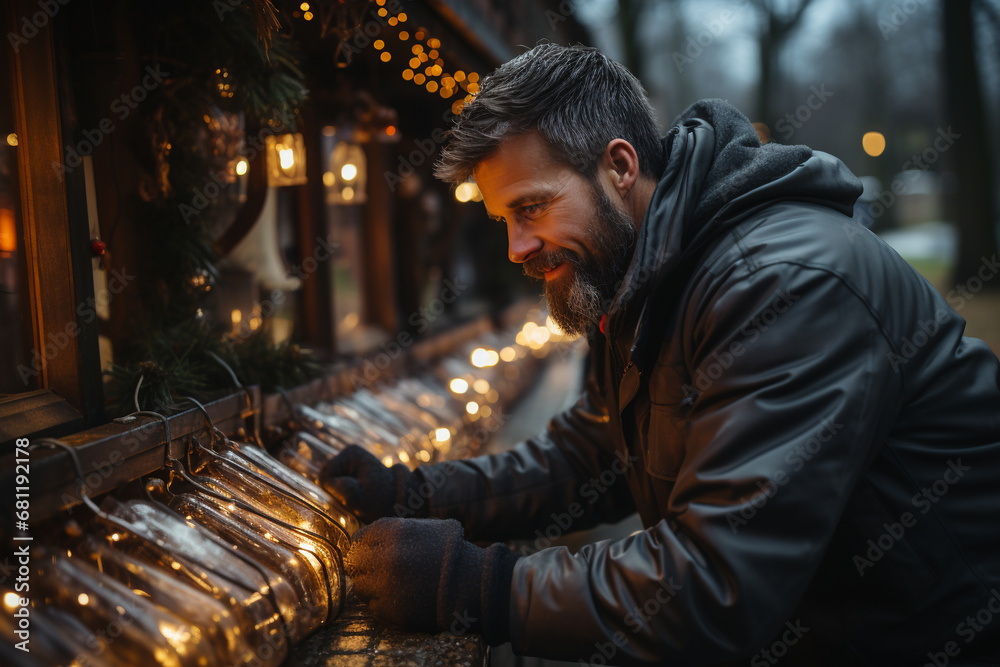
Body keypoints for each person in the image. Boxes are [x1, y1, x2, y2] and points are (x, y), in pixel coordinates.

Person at [321, 44, 1000, 665]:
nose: (517, 248)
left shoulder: (781, 285)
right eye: (506, 219)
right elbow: (589, 456)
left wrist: (480, 586)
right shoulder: (647, 273)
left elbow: (718, 581)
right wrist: (417, 493)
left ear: (620, 166)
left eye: (532, 206)